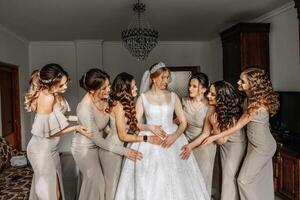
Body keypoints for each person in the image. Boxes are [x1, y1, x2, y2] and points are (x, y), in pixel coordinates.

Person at [115, 62, 209, 200]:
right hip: (150, 140)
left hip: (173, 138)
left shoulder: (173, 96)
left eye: (167, 77)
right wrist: (150, 127)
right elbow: (135, 123)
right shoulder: (143, 98)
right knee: (151, 179)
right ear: (153, 78)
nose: (166, 81)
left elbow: (183, 122)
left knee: (177, 180)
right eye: (163, 77)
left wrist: (175, 136)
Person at [201, 68, 279, 200]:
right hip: (252, 144)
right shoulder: (248, 98)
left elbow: (238, 126)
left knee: (243, 180)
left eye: (242, 81)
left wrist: (214, 136)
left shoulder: (256, 104)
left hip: (263, 147)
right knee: (257, 181)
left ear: (253, 84)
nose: (238, 82)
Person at [71, 69, 142, 200]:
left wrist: (109, 130)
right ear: (92, 90)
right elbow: (97, 139)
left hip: (100, 146)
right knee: (97, 182)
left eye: (109, 85)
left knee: (103, 182)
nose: (109, 89)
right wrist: (124, 151)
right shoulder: (84, 108)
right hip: (84, 149)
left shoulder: (105, 98)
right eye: (104, 88)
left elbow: (105, 124)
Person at [25, 63, 91, 200]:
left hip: (51, 149)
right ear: (51, 84)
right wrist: (76, 127)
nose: (65, 87)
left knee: (57, 189)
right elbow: (50, 132)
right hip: (40, 151)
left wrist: (79, 118)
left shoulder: (55, 93)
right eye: (61, 85)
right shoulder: (47, 98)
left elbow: (57, 118)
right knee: (50, 194)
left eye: (66, 82)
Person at [101, 72, 162, 200]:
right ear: (125, 89)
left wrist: (149, 127)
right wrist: (147, 138)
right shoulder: (119, 106)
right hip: (112, 150)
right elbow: (123, 135)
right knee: (111, 189)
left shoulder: (123, 104)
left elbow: (129, 126)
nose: (136, 89)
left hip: (118, 149)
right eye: (133, 87)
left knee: (117, 188)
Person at [181, 81, 246, 200]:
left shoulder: (233, 113)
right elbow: (205, 132)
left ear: (222, 98)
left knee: (228, 176)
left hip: (235, 145)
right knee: (222, 174)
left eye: (212, 94)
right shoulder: (212, 107)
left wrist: (215, 126)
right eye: (209, 93)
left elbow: (222, 140)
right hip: (221, 142)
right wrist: (190, 146)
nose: (208, 96)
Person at [180, 73, 216, 197]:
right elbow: (179, 122)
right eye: (190, 85)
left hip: (203, 146)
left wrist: (190, 146)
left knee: (202, 181)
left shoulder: (210, 106)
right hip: (185, 143)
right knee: (187, 180)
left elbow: (206, 132)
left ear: (204, 89)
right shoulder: (184, 101)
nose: (190, 88)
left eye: (194, 86)